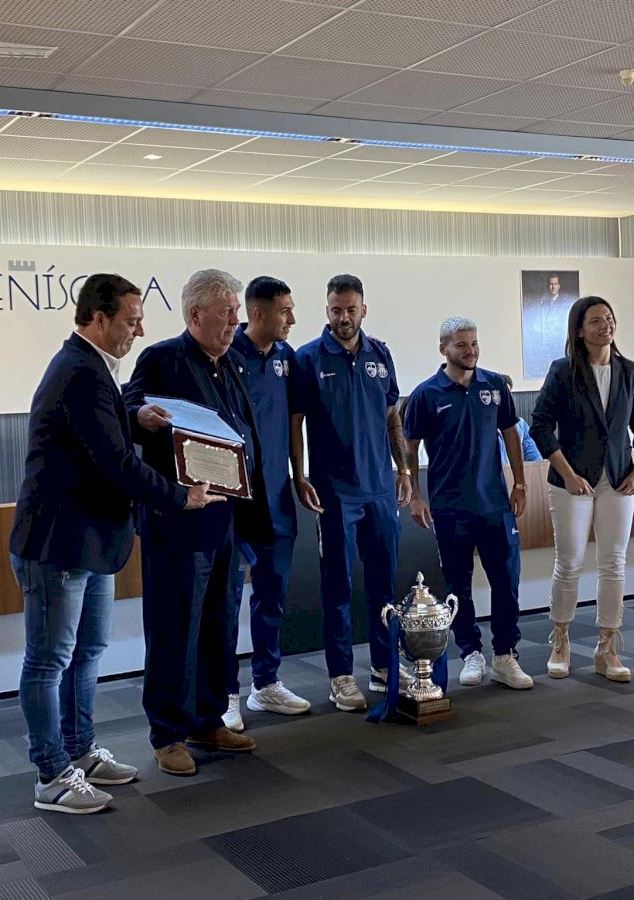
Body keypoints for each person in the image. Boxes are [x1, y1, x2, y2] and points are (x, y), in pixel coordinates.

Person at [10, 273, 218, 814]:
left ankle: (79, 751)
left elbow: (100, 431)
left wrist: (134, 416)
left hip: (91, 540)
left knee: (87, 653)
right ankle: (51, 774)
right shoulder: (80, 370)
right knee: (48, 662)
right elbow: (115, 462)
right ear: (99, 318)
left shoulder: (91, 367)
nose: (139, 330)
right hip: (58, 542)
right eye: (131, 320)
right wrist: (181, 496)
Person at [123, 268, 272, 777]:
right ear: (195, 314)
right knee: (175, 627)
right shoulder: (160, 358)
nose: (236, 322)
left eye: (236, 313)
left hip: (225, 518)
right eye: (227, 313)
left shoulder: (230, 362)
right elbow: (128, 408)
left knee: (218, 624)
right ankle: (167, 734)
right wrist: (140, 417)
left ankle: (208, 719)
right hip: (179, 520)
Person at [291, 274, 413, 712]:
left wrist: (404, 469)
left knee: (384, 585)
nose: (343, 317)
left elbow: (392, 416)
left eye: (351, 309)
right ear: (327, 311)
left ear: (364, 310)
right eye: (336, 310)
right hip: (335, 493)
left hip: (380, 488)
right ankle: (341, 676)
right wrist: (300, 474)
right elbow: (295, 422)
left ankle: (383, 664)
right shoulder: (308, 358)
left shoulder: (381, 354)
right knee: (337, 587)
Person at [404, 318, 535, 690]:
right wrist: (416, 495)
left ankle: (505, 655)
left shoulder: (494, 385)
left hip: (495, 504)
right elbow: (409, 445)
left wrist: (519, 483)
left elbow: (510, 432)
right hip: (450, 506)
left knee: (506, 582)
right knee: (457, 586)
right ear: (443, 348)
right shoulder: (426, 394)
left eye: (474, 343)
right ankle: (471, 653)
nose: (471, 350)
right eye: (461, 345)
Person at [530, 296, 634, 684]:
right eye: (596, 321)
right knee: (569, 563)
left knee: (614, 562)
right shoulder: (563, 371)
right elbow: (540, 426)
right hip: (572, 482)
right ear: (580, 330)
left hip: (618, 479)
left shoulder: (629, 371)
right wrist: (567, 474)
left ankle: (607, 648)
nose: (605, 326)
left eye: (609, 319)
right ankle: (561, 642)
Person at [222, 276, 310, 731]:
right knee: (227, 600)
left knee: (271, 594)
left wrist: (300, 475)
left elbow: (295, 422)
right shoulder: (225, 354)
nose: (292, 318)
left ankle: (266, 683)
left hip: (277, 495)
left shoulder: (287, 358)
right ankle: (225, 694)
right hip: (235, 500)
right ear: (258, 314)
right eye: (284, 311)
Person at [522, 272, 576, 379]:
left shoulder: (564, 302)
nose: (553, 287)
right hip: (547, 340)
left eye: (555, 284)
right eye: (551, 284)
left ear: (559, 286)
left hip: (559, 340)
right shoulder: (543, 303)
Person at [498, 373, 541, 465]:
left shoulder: (521, 425)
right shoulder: (484, 426)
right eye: (501, 394)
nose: (505, 399)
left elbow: (534, 457)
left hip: (516, 472)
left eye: (508, 394)